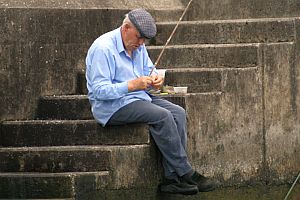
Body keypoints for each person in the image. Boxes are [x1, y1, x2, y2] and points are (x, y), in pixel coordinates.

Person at [85, 8, 217, 195]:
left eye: (144, 40)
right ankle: (186, 171)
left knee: (178, 112)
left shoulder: (138, 46)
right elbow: (99, 91)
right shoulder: (103, 48)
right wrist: (131, 85)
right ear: (126, 28)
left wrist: (156, 80)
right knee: (162, 116)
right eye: (139, 38)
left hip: (140, 97)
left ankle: (171, 179)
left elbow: (149, 70)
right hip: (112, 106)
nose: (141, 43)